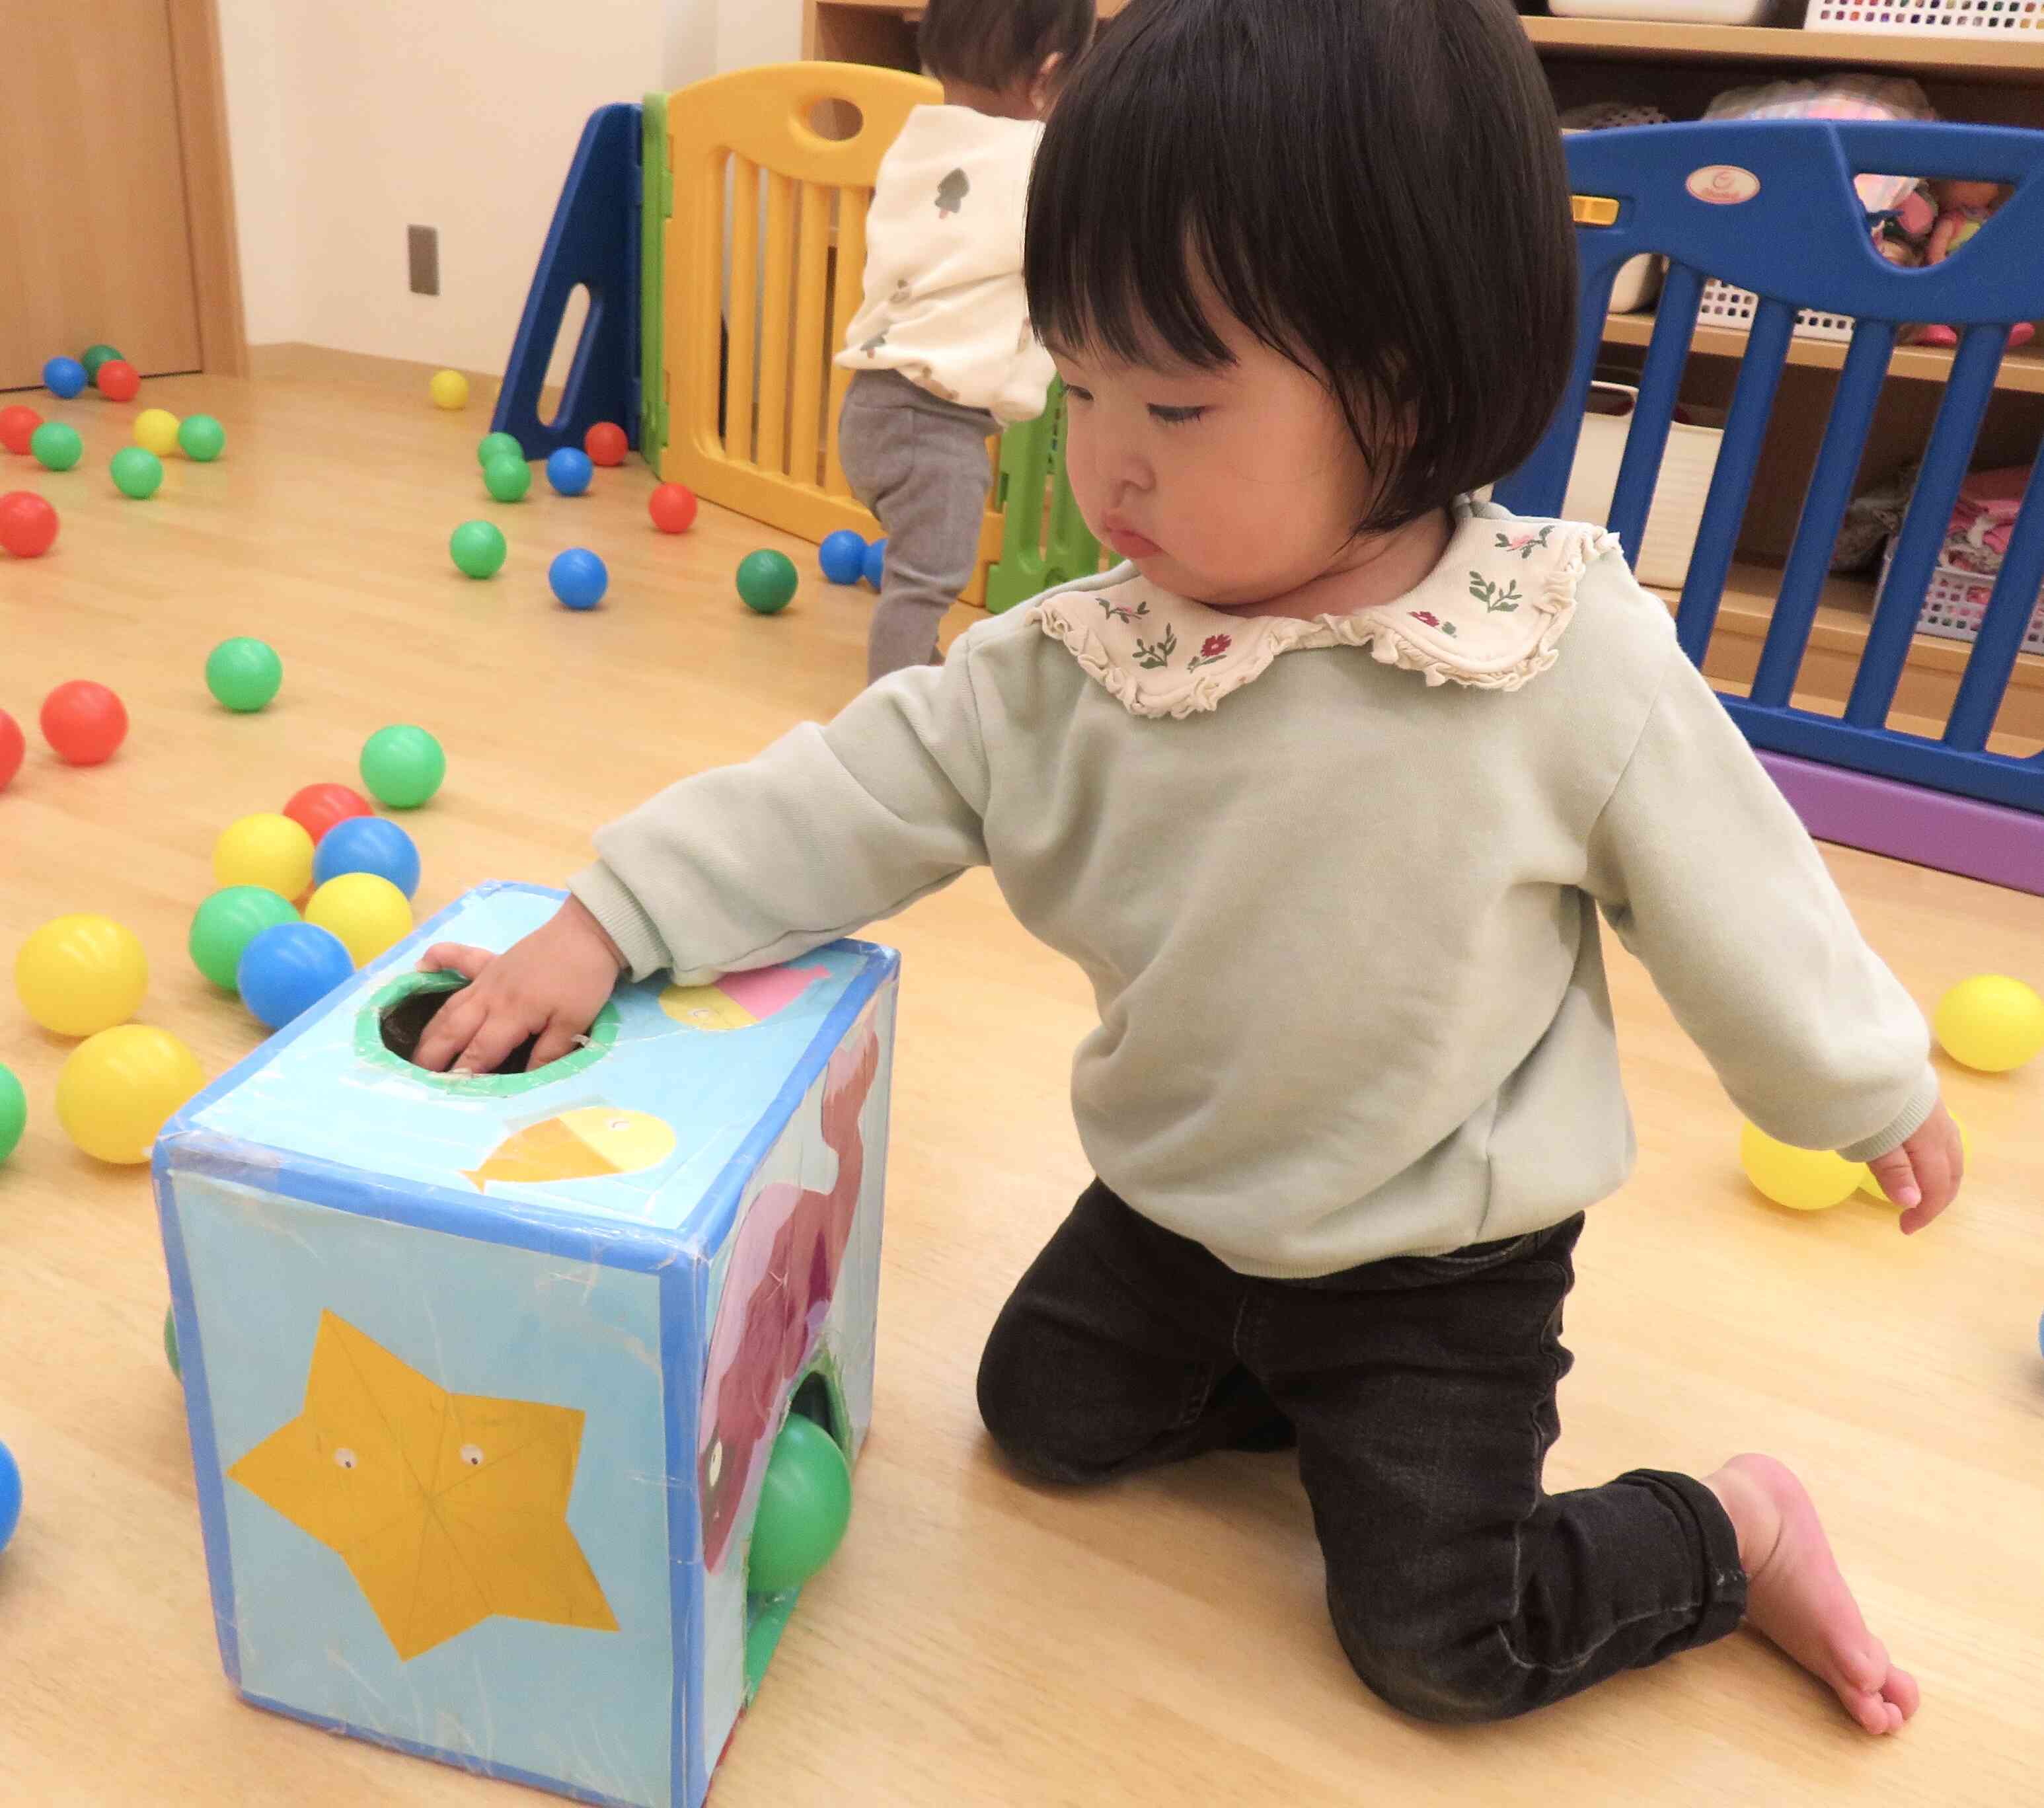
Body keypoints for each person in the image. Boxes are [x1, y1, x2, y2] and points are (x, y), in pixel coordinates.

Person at [414, 0, 1959, 1736]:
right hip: (1182, 1206)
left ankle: (1729, 1533)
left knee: (1443, 1645)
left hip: (1435, 1260)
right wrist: (609, 918)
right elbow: (846, 791)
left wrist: (1858, 1083)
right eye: (1075, 384)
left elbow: (1734, 884)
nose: (1104, 460)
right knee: (1039, 1419)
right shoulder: (1080, 660)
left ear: (1405, 383)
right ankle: (1289, 1389)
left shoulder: (1547, 649)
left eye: (1173, 401)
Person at [835, 0, 1095, 683]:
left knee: (919, 568)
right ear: (1047, 76)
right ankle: (889, 706)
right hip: (932, 427)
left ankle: (917, 667)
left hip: (872, 409)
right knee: (928, 579)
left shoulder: (917, 143)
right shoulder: (1034, 159)